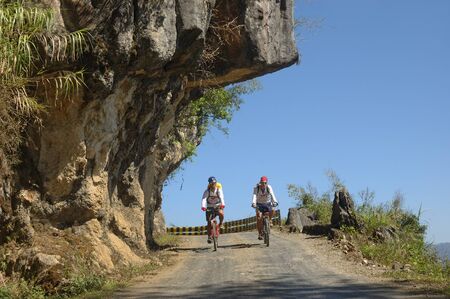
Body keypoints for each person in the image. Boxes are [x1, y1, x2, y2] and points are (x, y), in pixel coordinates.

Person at [201, 176, 225, 243]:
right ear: (209, 184)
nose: (213, 184)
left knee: (221, 214)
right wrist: (203, 206)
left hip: (217, 206)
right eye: (212, 183)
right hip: (209, 207)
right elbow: (204, 199)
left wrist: (223, 204)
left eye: (214, 183)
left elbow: (222, 197)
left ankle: (221, 223)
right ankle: (209, 237)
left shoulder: (218, 190)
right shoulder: (207, 191)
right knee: (209, 222)